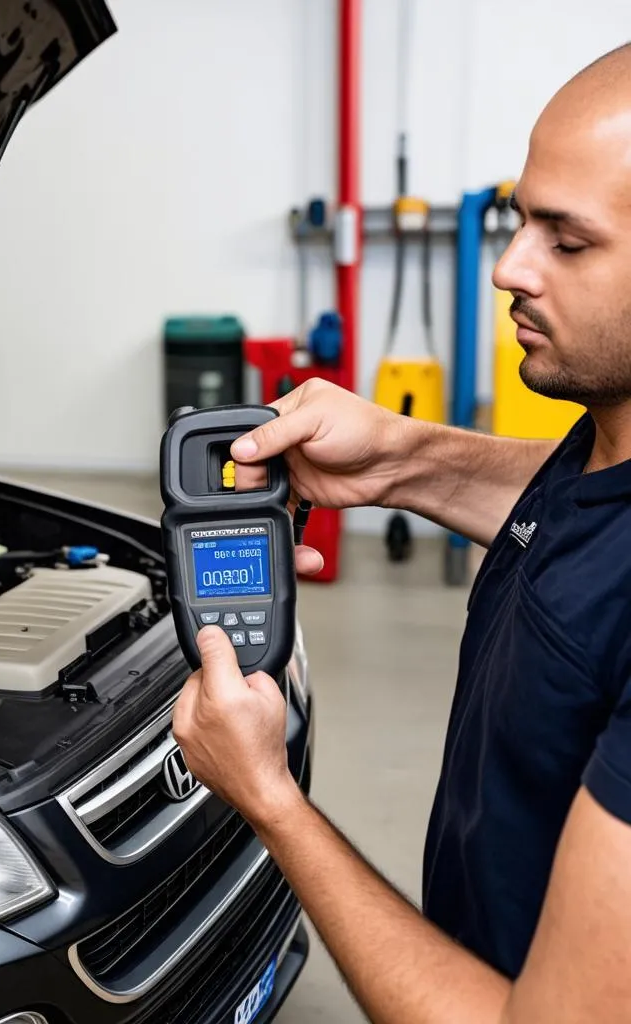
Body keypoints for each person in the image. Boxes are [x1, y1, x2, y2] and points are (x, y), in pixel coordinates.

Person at [173, 42, 631, 1023]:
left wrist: (271, 800)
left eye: (568, 240)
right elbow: (589, 516)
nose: (509, 266)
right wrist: (405, 460)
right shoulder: (605, 437)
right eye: (518, 220)